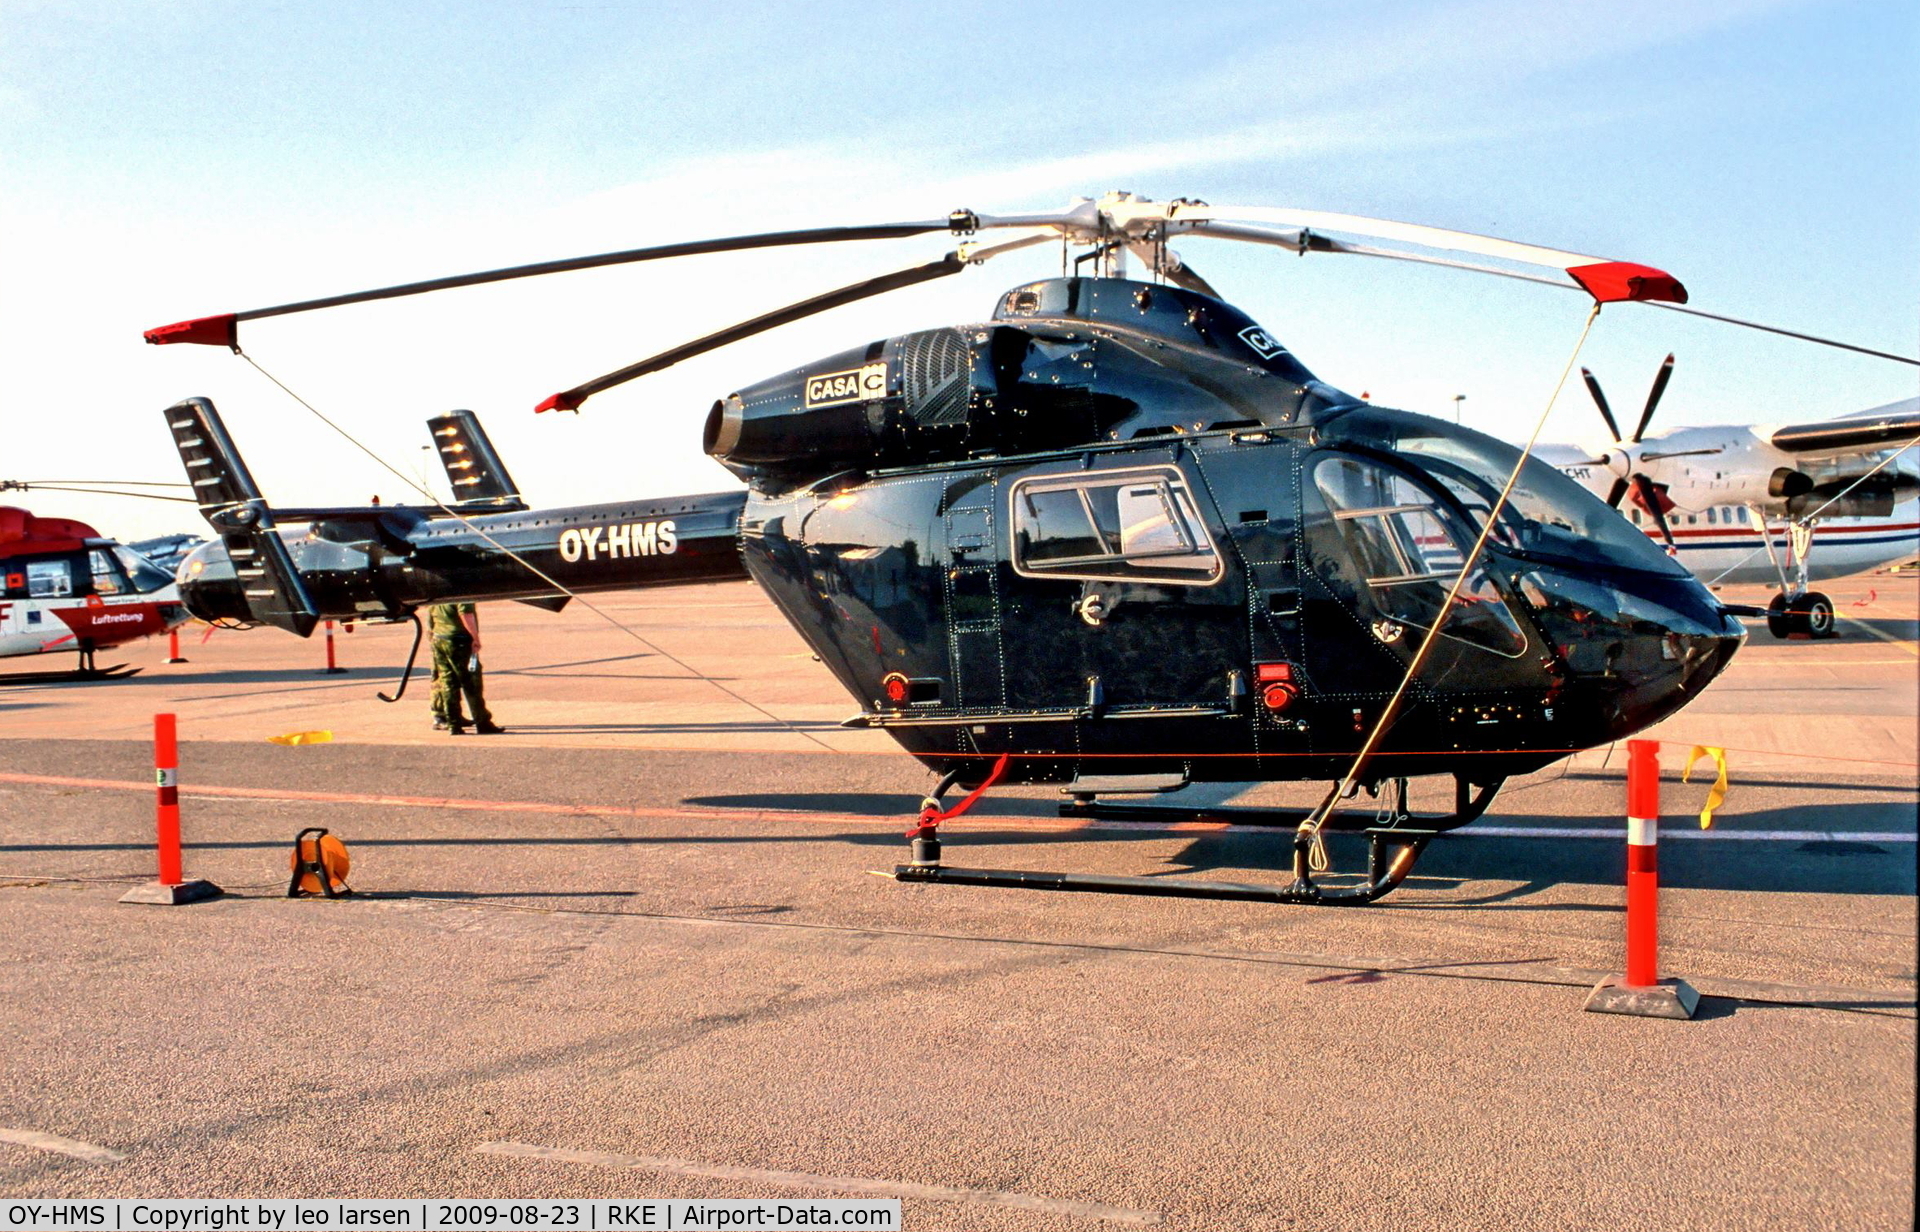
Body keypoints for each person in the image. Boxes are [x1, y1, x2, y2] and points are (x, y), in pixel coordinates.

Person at [428, 601, 503, 735]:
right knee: (471, 684)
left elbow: (431, 618)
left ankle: (454, 724)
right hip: (458, 640)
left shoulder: (438, 591)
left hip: (439, 639)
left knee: (448, 683)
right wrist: (475, 638)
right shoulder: (462, 590)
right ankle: (482, 722)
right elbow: (466, 614)